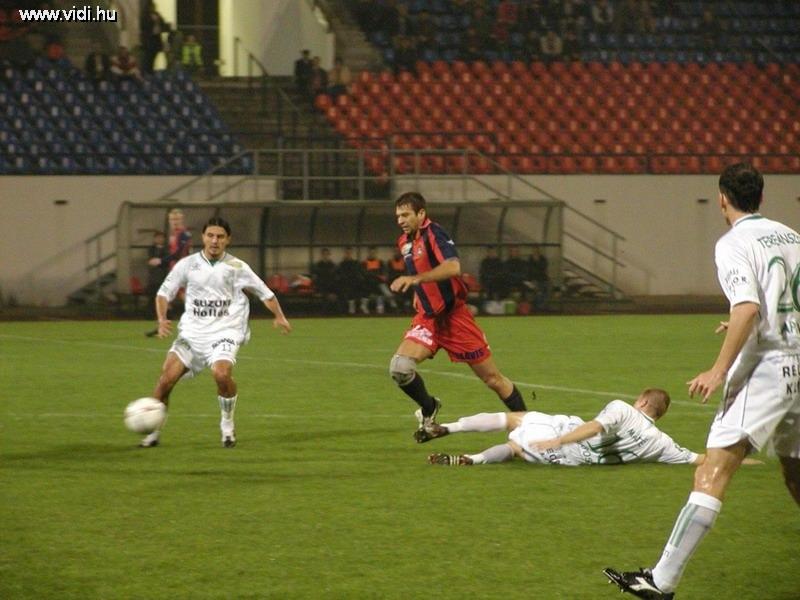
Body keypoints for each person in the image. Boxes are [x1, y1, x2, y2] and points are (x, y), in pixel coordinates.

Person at [605, 163, 800, 599]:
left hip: (766, 369)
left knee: (714, 468)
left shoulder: (733, 243)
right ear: (761, 197)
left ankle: (662, 580)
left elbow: (747, 307)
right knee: (795, 469)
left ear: (722, 198)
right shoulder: (791, 236)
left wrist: (718, 369)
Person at [140, 217, 292, 448]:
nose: (214, 240)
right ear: (203, 237)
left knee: (221, 375)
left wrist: (279, 316)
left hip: (225, 332)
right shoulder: (187, 265)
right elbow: (163, 293)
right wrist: (161, 320)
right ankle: (152, 434)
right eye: (210, 235)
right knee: (165, 381)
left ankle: (227, 425)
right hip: (192, 334)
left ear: (228, 240)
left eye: (220, 236)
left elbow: (266, 293)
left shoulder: (237, 267)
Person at [388, 192, 528, 442]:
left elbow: (453, 267)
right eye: (398, 216)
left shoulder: (435, 233)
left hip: (455, 319)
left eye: (406, 215)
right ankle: (429, 407)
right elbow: (421, 270)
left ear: (421, 213)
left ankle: (527, 426)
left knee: (493, 379)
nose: (400, 220)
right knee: (400, 369)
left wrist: (415, 280)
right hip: (429, 320)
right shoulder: (404, 242)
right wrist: (419, 292)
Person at [425, 388, 703, 467]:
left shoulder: (624, 409)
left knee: (515, 419)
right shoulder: (661, 442)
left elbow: (594, 427)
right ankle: (473, 459)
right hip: (574, 461)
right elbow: (702, 459)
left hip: (564, 435)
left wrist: (560, 440)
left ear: (642, 401)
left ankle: (448, 428)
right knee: (516, 448)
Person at [144, 208, 191, 337]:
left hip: (183, 271)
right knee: (169, 298)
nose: (174, 222)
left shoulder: (184, 234)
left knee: (166, 296)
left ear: (182, 220)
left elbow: (178, 253)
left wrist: (160, 261)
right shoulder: (174, 235)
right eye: (172, 219)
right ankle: (162, 326)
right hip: (176, 270)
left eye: (177, 219)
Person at [362, 246, 397, 315]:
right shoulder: (364, 263)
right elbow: (365, 274)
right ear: (368, 253)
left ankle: (383, 307)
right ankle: (364, 307)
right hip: (368, 283)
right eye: (371, 253)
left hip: (379, 283)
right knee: (371, 288)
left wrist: (380, 277)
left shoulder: (380, 262)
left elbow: (384, 274)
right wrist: (376, 276)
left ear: (376, 253)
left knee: (383, 290)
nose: (372, 254)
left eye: (373, 253)